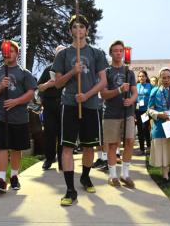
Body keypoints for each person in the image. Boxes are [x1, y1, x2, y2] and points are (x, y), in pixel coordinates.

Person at [53, 15, 107, 206]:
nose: (78, 30)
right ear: (70, 31)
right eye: (74, 27)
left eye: (81, 27)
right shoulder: (63, 54)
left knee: (89, 146)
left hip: (90, 106)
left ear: (87, 30)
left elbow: (103, 81)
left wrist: (87, 95)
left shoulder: (97, 53)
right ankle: (70, 190)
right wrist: (72, 72)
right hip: (69, 105)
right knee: (67, 146)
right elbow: (58, 83)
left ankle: (85, 176)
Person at [0, 40, 37, 193]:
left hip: (19, 117)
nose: (8, 53)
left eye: (11, 51)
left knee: (16, 148)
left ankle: (14, 176)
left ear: (17, 53)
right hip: (0, 115)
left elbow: (30, 93)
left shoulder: (24, 73)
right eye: (5, 51)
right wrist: (1, 86)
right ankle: (1, 180)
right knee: (1, 147)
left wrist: (16, 101)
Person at [101, 40, 137, 188]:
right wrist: (119, 90)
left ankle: (125, 174)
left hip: (127, 113)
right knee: (113, 144)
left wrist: (131, 100)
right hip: (111, 113)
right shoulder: (106, 72)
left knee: (129, 142)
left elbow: (135, 92)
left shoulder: (129, 72)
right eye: (115, 50)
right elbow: (103, 94)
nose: (118, 53)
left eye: (121, 50)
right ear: (111, 53)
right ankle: (112, 175)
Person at [38, 45, 65, 170]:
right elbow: (39, 87)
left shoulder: (68, 70)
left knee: (62, 134)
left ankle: (62, 160)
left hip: (64, 105)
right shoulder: (48, 69)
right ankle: (49, 159)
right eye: (58, 53)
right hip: (49, 105)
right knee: (49, 133)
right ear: (55, 55)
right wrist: (49, 84)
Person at [134, 70, 152, 155]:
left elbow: (152, 98)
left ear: (146, 77)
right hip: (138, 110)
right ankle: (141, 149)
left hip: (146, 111)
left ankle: (148, 147)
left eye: (143, 76)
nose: (141, 78)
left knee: (145, 128)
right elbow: (133, 98)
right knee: (140, 130)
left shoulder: (150, 86)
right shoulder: (136, 86)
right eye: (140, 76)